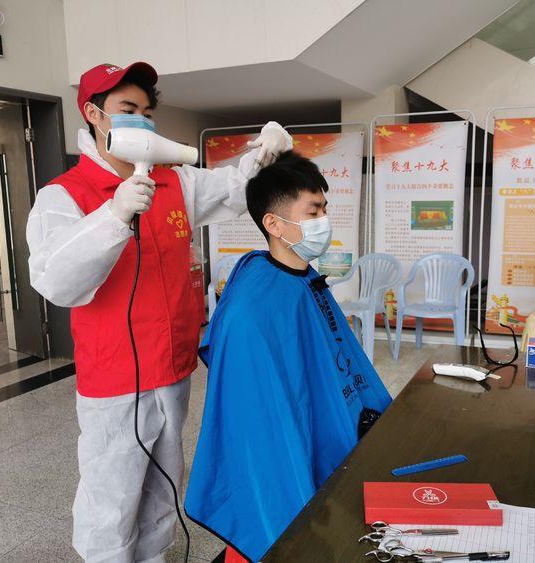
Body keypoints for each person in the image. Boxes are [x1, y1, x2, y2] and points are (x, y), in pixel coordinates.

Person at [25, 61, 292, 563]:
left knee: (163, 485)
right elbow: (56, 281)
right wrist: (114, 215)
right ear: (94, 114)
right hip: (114, 377)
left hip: (170, 367)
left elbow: (233, 189)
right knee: (112, 494)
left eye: (147, 112)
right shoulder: (63, 195)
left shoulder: (175, 183)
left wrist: (266, 152)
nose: (142, 120)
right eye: (128, 109)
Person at [184, 151, 392, 562]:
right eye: (313, 211)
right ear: (274, 224)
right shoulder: (251, 308)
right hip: (276, 453)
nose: (324, 220)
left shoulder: (304, 278)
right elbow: (262, 419)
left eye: (324, 209)